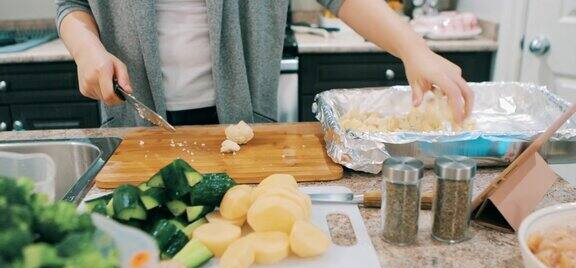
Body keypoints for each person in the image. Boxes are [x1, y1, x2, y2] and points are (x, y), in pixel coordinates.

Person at [56, 0, 473, 127]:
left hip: (240, 120)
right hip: (135, 115)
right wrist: (85, 46)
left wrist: (413, 47)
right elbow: (70, 4)